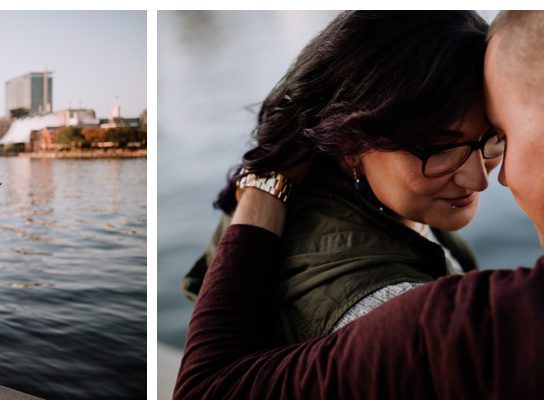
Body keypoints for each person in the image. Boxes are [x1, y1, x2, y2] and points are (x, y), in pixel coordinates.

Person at [175, 11, 544, 399]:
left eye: (501, 135)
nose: (496, 177)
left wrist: (263, 187)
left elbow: (208, 390)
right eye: (444, 148)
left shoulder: (466, 333)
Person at [184, 11, 504, 345]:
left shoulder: (387, 201)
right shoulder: (382, 311)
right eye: (440, 148)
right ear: (350, 144)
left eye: (493, 137)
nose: (479, 179)